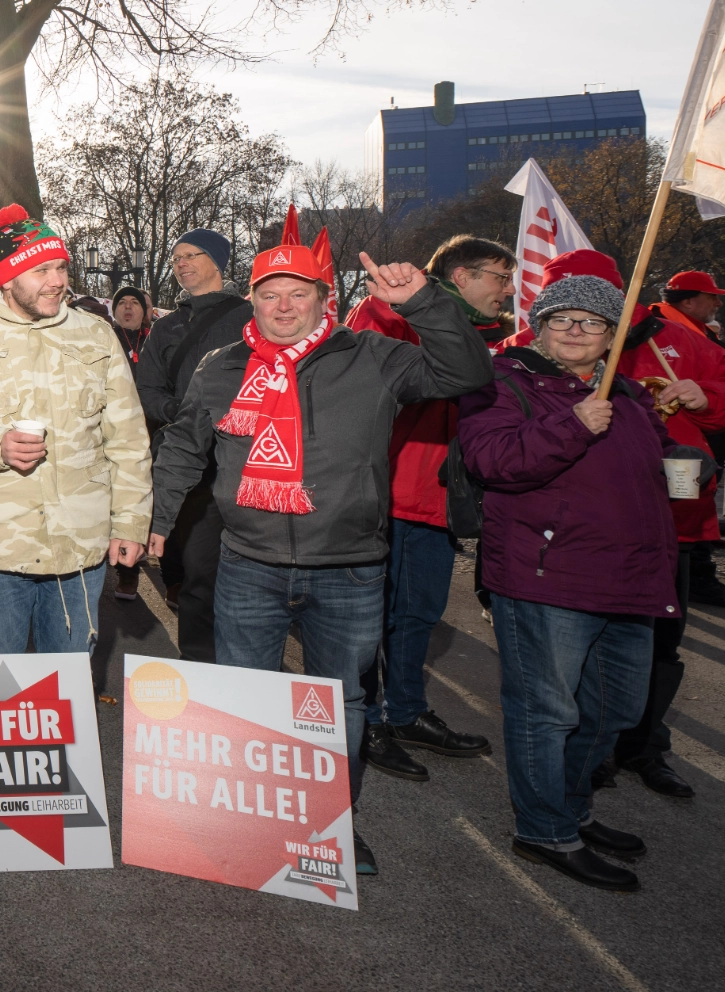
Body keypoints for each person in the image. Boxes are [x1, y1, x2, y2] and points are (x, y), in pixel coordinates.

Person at [147, 243, 493, 875]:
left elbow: (466, 374)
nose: (284, 306)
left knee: (339, 706)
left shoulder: (375, 358)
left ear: (323, 299)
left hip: (350, 568)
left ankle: (331, 827)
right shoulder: (223, 368)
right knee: (247, 701)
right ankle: (255, 827)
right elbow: (183, 449)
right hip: (247, 563)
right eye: (269, 293)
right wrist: (155, 523)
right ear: (251, 300)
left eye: (298, 292)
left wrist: (422, 303)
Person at [459, 274, 693, 892]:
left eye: (591, 323)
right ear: (539, 327)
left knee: (615, 709)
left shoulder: (632, 394)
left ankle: (572, 810)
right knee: (547, 712)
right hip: (547, 577)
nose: (575, 331)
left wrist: (695, 459)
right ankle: (543, 831)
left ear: (613, 337)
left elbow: (662, 464)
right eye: (561, 320)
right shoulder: (504, 382)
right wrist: (575, 425)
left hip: (631, 578)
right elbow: (492, 461)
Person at [502, 252, 725, 797]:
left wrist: (704, 397)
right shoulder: (520, 361)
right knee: (555, 683)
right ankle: (567, 791)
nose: (577, 326)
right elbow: (499, 446)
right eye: (563, 309)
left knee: (651, 656)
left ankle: (642, 748)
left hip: (664, 530)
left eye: (593, 314)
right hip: (561, 546)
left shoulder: (680, 342)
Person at [0, 205, 151, 653]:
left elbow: (128, 439)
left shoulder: (97, 336)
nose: (57, 280)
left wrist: (132, 522)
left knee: (67, 690)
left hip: (80, 548)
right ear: (7, 279)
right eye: (41, 269)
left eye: (61, 266)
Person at [345, 235, 514, 782]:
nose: (508, 289)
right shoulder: (387, 311)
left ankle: (406, 710)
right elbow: (361, 386)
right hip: (390, 495)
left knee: (418, 615)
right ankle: (365, 720)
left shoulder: (484, 332)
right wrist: (406, 304)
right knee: (372, 620)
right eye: (499, 276)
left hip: (439, 501)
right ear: (461, 277)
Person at [130, 228, 250, 651]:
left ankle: (252, 675)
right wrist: (184, 416)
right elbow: (146, 391)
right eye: (176, 256)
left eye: (190, 255)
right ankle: (201, 678)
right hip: (190, 466)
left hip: (251, 463)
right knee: (198, 574)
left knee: (253, 579)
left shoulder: (254, 317)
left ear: (218, 260)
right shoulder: (166, 328)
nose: (180, 263)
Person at [659, 270, 725, 612]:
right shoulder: (652, 334)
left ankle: (692, 581)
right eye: (712, 295)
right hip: (676, 455)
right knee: (677, 522)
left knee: (691, 517)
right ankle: (688, 585)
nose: (718, 302)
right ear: (688, 300)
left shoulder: (697, 334)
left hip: (700, 451)